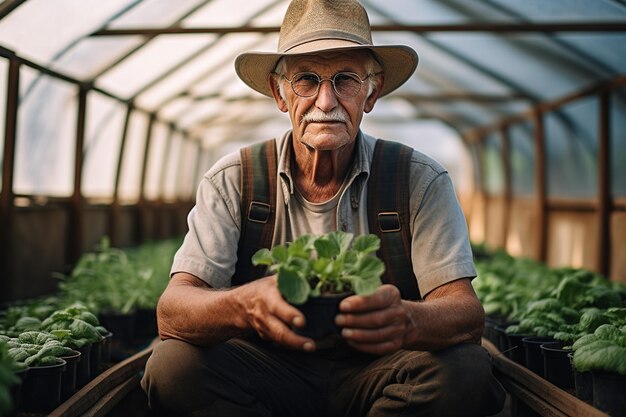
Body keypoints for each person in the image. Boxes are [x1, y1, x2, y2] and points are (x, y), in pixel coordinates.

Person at [141, 0, 506, 416]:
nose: (326, 101)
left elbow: (465, 312)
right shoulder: (233, 179)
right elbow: (172, 311)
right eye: (307, 80)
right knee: (173, 368)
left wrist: (408, 320)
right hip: (267, 366)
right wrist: (245, 305)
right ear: (280, 93)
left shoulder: (418, 178)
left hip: (379, 367)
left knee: (466, 370)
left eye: (346, 79)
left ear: (372, 92)